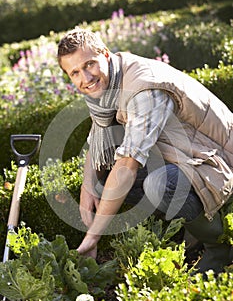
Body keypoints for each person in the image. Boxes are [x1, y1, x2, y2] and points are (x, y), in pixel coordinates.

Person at [57, 27, 233, 274]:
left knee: (158, 185)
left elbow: (128, 163)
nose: (85, 77)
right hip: (181, 153)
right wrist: (88, 186)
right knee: (105, 179)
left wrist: (93, 236)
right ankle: (194, 229)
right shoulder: (106, 88)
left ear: (105, 55)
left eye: (89, 64)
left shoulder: (144, 88)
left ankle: (218, 246)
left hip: (216, 158)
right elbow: (98, 138)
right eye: (74, 72)